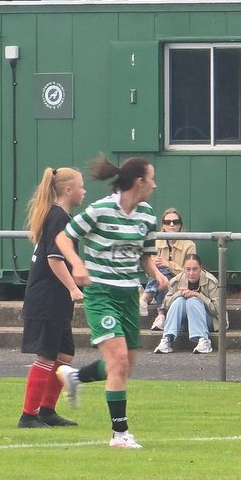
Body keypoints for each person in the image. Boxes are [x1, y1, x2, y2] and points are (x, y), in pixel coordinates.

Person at [54, 154, 165, 450]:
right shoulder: (100, 210)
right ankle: (119, 434)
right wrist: (77, 264)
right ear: (139, 181)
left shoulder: (147, 215)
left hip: (129, 293)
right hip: (100, 291)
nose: (154, 185)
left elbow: (144, 254)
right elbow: (64, 239)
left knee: (123, 366)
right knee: (117, 361)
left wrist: (155, 273)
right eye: (151, 178)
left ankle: (75, 376)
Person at [18, 166, 87, 429]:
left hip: (55, 299)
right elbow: (54, 259)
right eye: (81, 186)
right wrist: (72, 287)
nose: (84, 191)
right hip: (46, 298)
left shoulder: (59, 216)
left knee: (64, 355)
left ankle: (47, 411)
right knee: (46, 356)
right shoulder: (58, 217)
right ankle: (28, 415)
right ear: (68, 190)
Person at [140, 208, 196, 330]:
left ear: (180, 225)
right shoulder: (157, 242)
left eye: (175, 222)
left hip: (180, 283)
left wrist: (168, 264)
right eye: (167, 222)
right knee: (161, 274)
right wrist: (153, 266)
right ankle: (161, 315)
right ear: (163, 225)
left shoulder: (189, 245)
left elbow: (190, 273)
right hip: (161, 282)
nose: (171, 224)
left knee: (163, 272)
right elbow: (148, 272)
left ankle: (146, 298)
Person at [154, 253, 219, 354]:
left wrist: (198, 295)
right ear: (184, 269)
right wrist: (179, 293)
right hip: (183, 322)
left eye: (195, 269)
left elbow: (217, 309)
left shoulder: (210, 281)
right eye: (188, 269)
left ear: (201, 268)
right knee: (179, 300)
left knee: (192, 300)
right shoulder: (176, 280)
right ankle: (167, 338)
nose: (191, 273)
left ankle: (203, 339)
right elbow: (166, 304)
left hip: (209, 320)